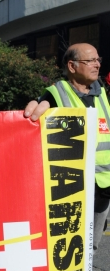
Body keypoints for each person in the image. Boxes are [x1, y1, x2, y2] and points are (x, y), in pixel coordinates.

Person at [29, 43, 110, 252]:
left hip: (104, 185)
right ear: (72, 66)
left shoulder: (100, 92)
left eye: (98, 60)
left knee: (92, 246)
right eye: (90, 61)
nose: (97, 65)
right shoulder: (57, 94)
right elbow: (37, 114)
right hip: (74, 187)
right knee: (71, 247)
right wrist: (35, 108)